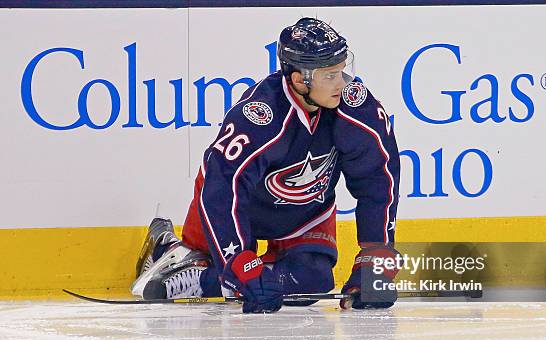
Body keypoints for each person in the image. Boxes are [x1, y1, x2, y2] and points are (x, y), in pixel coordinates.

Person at [131, 17, 400, 313]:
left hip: (305, 210)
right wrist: (240, 266)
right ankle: (168, 250)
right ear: (300, 80)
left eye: (342, 70)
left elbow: (379, 179)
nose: (341, 83)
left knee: (312, 282)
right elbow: (222, 188)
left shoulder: (356, 106)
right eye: (329, 75)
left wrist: (377, 259)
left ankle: (208, 280)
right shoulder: (261, 115)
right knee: (241, 273)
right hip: (237, 208)